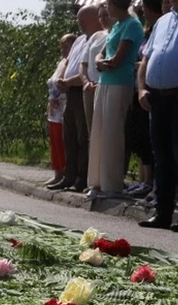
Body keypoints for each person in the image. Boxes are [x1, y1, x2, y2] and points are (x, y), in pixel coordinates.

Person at [137, 0, 178, 233]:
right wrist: (141, 88)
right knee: (161, 158)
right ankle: (162, 214)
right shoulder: (163, 21)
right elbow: (146, 59)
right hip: (157, 98)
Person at [87, 0, 145, 200]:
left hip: (120, 83)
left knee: (112, 135)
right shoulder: (117, 25)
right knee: (99, 132)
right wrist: (100, 62)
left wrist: (104, 63)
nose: (108, 9)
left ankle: (111, 184)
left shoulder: (132, 25)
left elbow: (117, 60)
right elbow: (101, 54)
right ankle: (96, 182)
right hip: (104, 82)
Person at [50, 5, 102, 192]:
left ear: (95, 19)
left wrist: (69, 81)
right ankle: (68, 176)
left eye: (83, 21)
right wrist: (61, 79)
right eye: (79, 21)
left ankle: (82, 178)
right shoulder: (80, 40)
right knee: (69, 136)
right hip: (70, 92)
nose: (80, 25)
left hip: (82, 89)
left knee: (82, 136)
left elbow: (87, 69)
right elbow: (70, 62)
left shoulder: (98, 38)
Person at [124, 0, 162, 199]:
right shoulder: (148, 32)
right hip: (139, 89)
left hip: (154, 90)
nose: (143, 13)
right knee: (137, 135)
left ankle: (153, 183)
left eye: (144, 9)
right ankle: (145, 180)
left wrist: (140, 65)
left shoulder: (161, 28)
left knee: (150, 138)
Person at [46, 34, 78, 187]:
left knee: (64, 141)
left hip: (65, 107)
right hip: (54, 110)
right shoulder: (61, 63)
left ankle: (67, 173)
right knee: (55, 142)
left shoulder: (74, 64)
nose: (63, 50)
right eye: (61, 47)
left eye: (66, 47)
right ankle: (57, 173)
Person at [81, 4, 113, 135]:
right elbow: (83, 64)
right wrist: (86, 82)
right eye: (100, 16)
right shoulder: (96, 36)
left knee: (106, 130)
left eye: (106, 15)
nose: (103, 19)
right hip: (90, 88)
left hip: (107, 86)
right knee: (92, 132)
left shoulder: (118, 34)